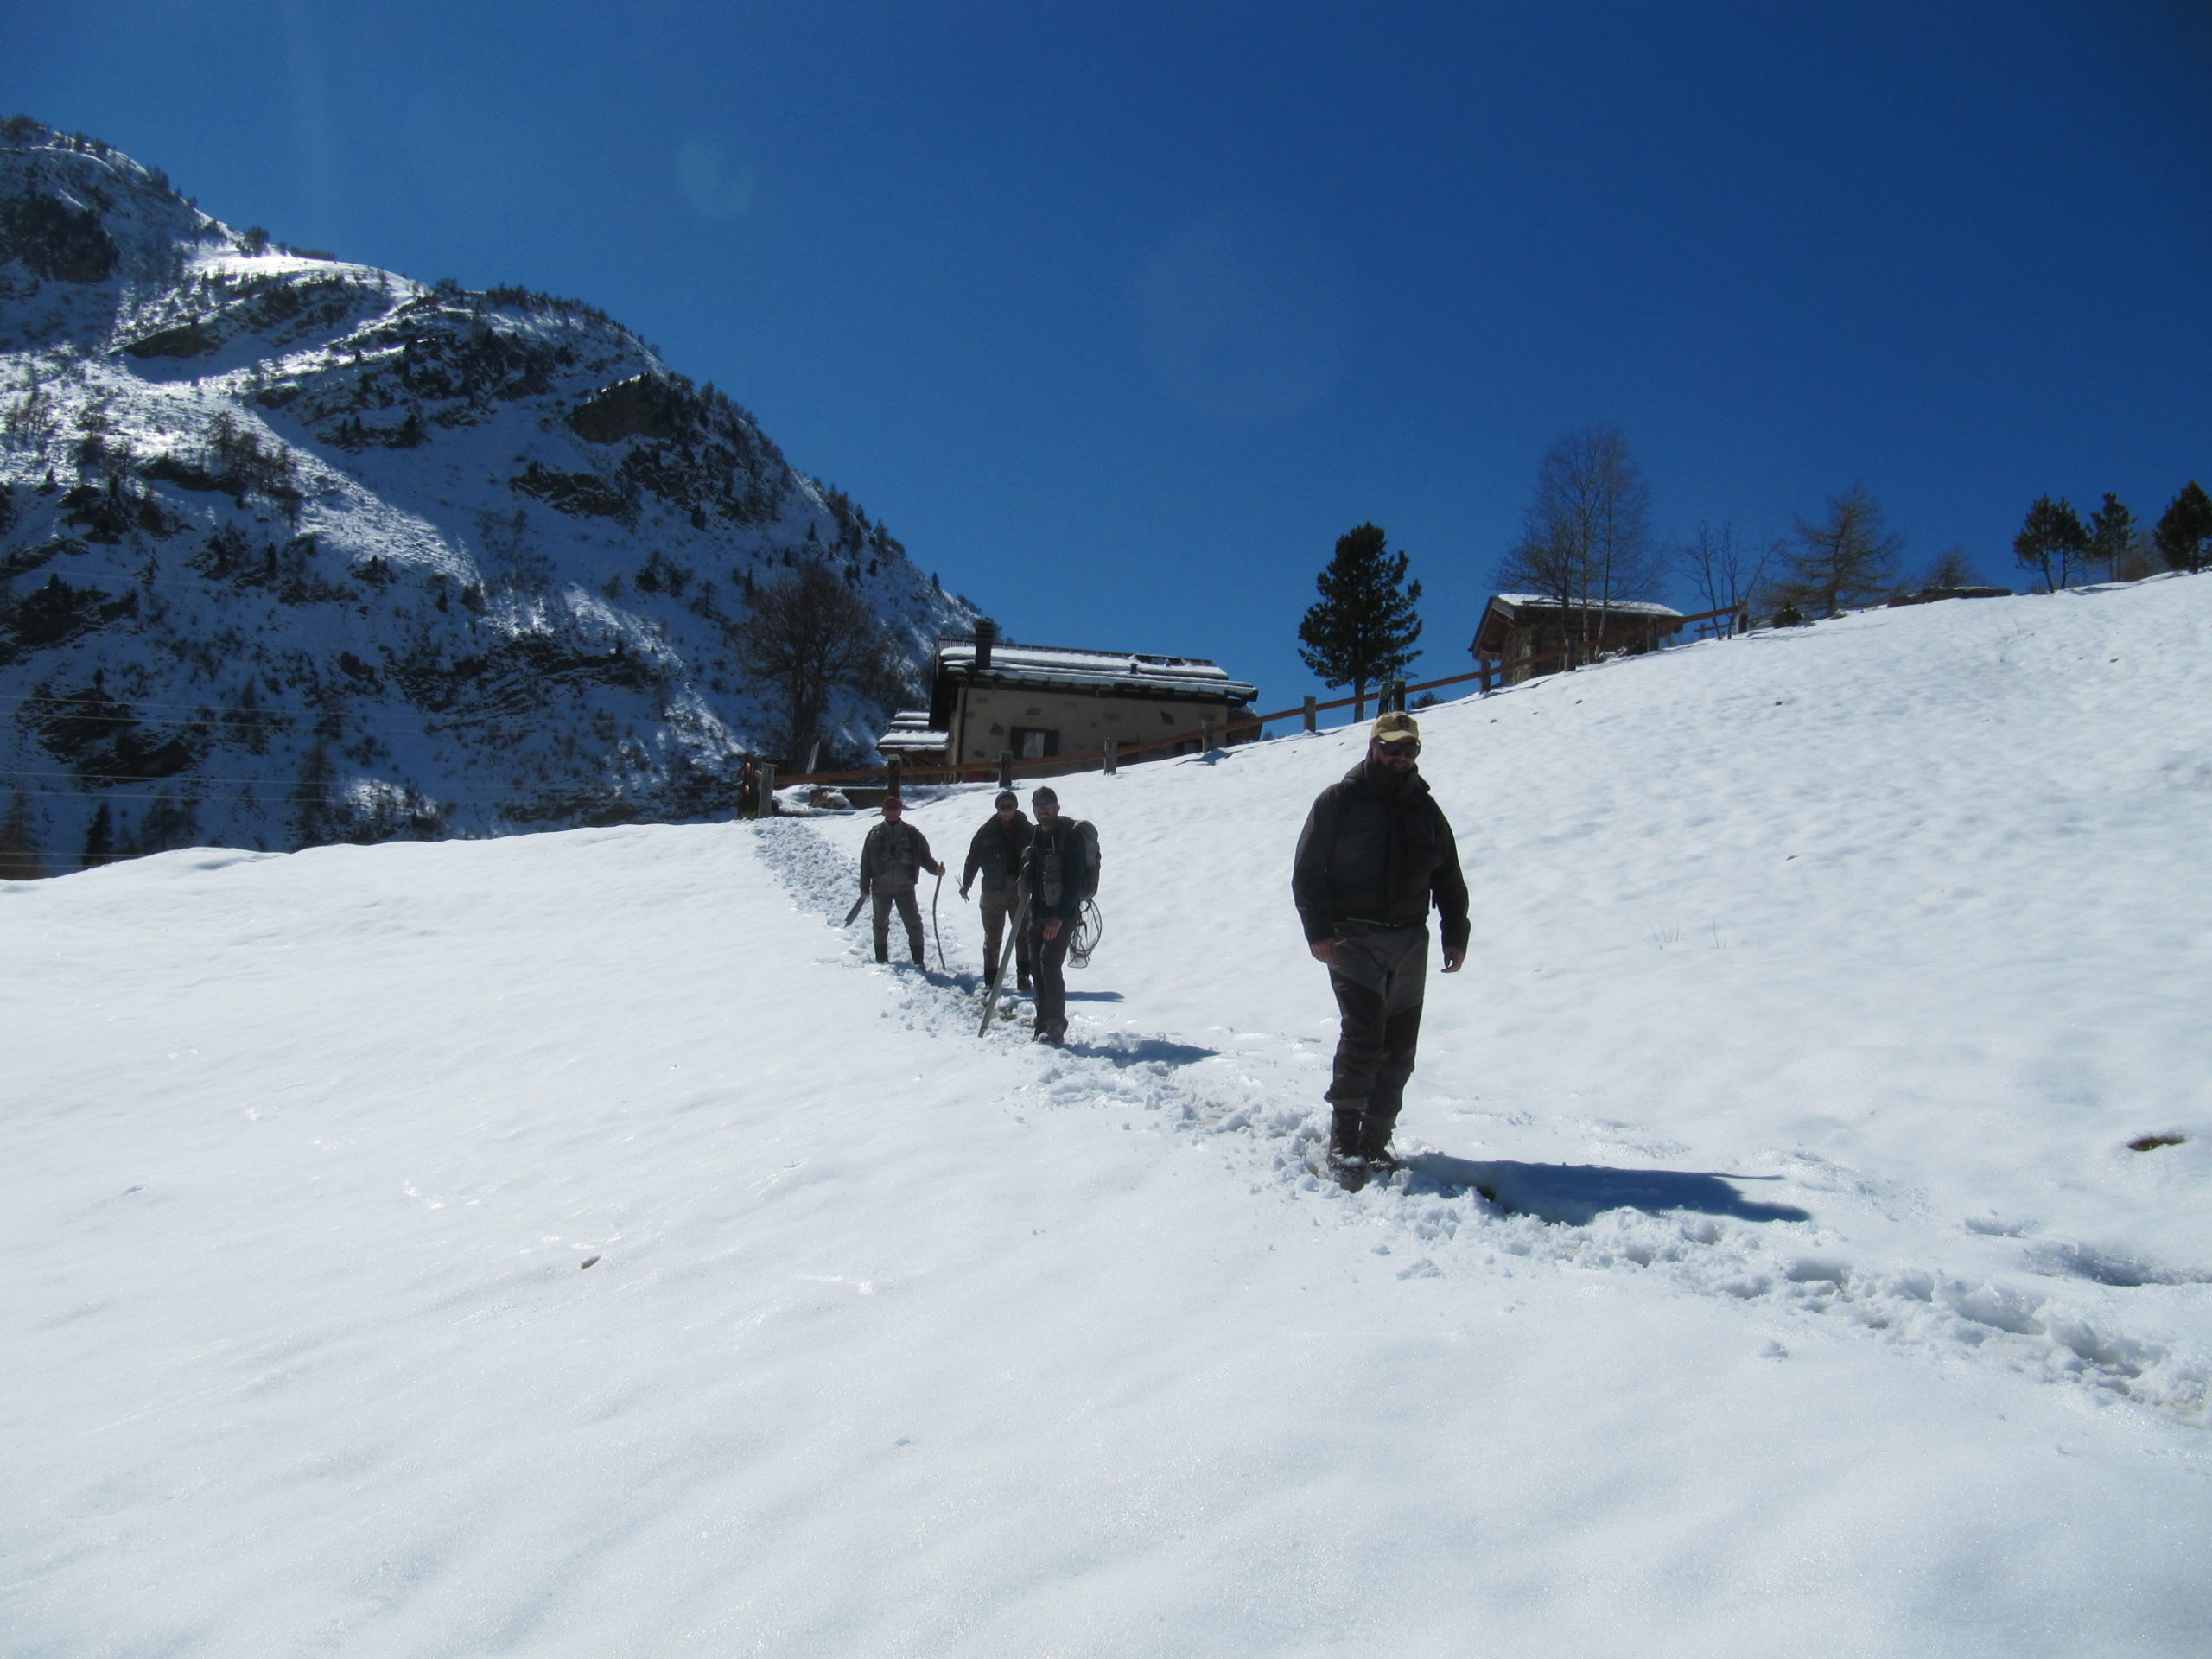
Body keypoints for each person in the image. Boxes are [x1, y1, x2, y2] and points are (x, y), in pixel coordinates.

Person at [1292, 711, 1469, 1173]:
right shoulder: (1341, 800)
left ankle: (1376, 1138)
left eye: (1408, 751)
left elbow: (1448, 875)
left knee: (1400, 1046)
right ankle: (1344, 1140)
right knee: (1365, 1036)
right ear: (1373, 747)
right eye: (1391, 749)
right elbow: (1308, 870)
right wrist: (1318, 931)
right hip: (1352, 935)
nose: (1400, 758)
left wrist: (1456, 933)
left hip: (1411, 940)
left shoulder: (1426, 809)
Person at [1019, 785, 1092, 1046]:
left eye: (1046, 806)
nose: (1042, 810)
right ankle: (1042, 1023)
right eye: (1038, 806)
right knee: (1037, 969)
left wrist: (1058, 917)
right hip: (1037, 913)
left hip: (1060, 916)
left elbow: (1074, 882)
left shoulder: (1068, 837)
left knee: (1049, 966)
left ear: (1056, 808)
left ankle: (1055, 1025)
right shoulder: (1036, 835)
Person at [960, 788, 1033, 992]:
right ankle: (991, 979)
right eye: (1003, 807)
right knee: (993, 938)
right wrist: (967, 884)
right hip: (993, 891)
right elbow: (972, 858)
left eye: (1010, 806)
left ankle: (1023, 976)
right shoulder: (986, 831)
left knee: (1023, 935)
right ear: (997, 808)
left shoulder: (1028, 829)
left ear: (1016, 807)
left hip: (1021, 890)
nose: (1007, 810)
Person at [858, 795, 945, 965]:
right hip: (880, 886)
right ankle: (881, 959)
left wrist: (936, 869)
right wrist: (864, 884)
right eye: (889, 808)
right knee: (880, 923)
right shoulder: (874, 834)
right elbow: (865, 861)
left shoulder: (913, 834)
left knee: (913, 923)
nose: (892, 812)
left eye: (895, 808)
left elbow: (925, 857)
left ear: (900, 810)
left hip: (905, 886)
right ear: (883, 811)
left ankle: (918, 961)